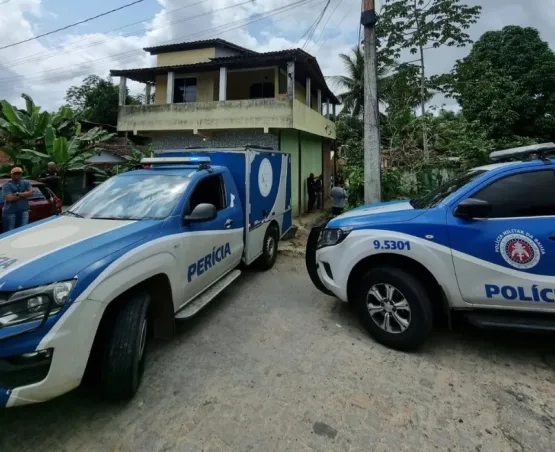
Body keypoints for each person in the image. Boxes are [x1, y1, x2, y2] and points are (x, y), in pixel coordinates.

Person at [2, 167, 33, 232]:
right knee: (10, 232)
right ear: (11, 175)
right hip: (10, 212)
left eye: (19, 173)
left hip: (24, 210)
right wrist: (24, 194)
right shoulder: (6, 185)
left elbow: (31, 193)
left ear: (21, 174)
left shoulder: (26, 182)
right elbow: (9, 198)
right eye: (15, 174)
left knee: (23, 231)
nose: (17, 175)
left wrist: (17, 194)